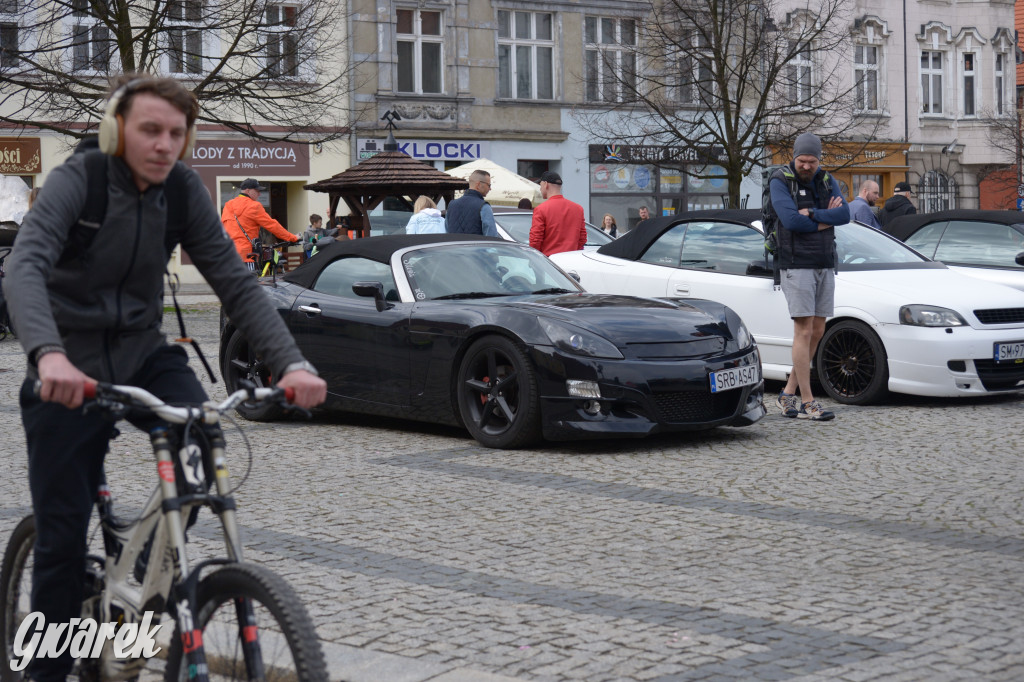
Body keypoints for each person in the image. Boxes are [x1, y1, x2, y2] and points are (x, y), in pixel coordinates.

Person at [2, 73, 327, 682]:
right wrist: (47, 355)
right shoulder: (81, 180)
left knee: (203, 435)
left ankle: (148, 568)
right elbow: (24, 267)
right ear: (116, 129)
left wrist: (293, 364)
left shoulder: (180, 189)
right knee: (62, 543)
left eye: (176, 133)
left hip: (144, 353)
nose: (163, 144)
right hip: (67, 363)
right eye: (150, 130)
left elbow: (235, 281)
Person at [769, 132, 849, 422]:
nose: (806, 166)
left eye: (811, 161)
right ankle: (807, 401)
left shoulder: (827, 180)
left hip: (825, 262)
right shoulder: (780, 180)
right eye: (802, 161)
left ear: (819, 159)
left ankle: (787, 393)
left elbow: (845, 215)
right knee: (803, 331)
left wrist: (812, 214)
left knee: (817, 331)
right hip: (796, 262)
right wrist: (823, 221)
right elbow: (790, 220)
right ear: (794, 157)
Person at [222, 177, 299, 269]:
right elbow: (272, 225)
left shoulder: (228, 205)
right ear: (248, 190)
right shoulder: (254, 206)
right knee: (249, 282)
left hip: (228, 255)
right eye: (257, 190)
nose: (259, 194)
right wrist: (293, 238)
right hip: (246, 256)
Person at [529, 171, 586, 256]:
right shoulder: (578, 209)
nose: (540, 189)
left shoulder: (541, 209)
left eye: (540, 185)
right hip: (572, 260)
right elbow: (582, 238)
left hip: (549, 262)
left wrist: (535, 259)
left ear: (545, 184)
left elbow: (535, 240)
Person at [445, 170, 498, 236]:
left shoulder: (451, 205)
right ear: (478, 185)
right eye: (489, 185)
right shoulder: (483, 206)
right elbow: (491, 236)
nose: (490, 189)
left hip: (454, 246)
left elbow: (446, 232)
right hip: (478, 246)